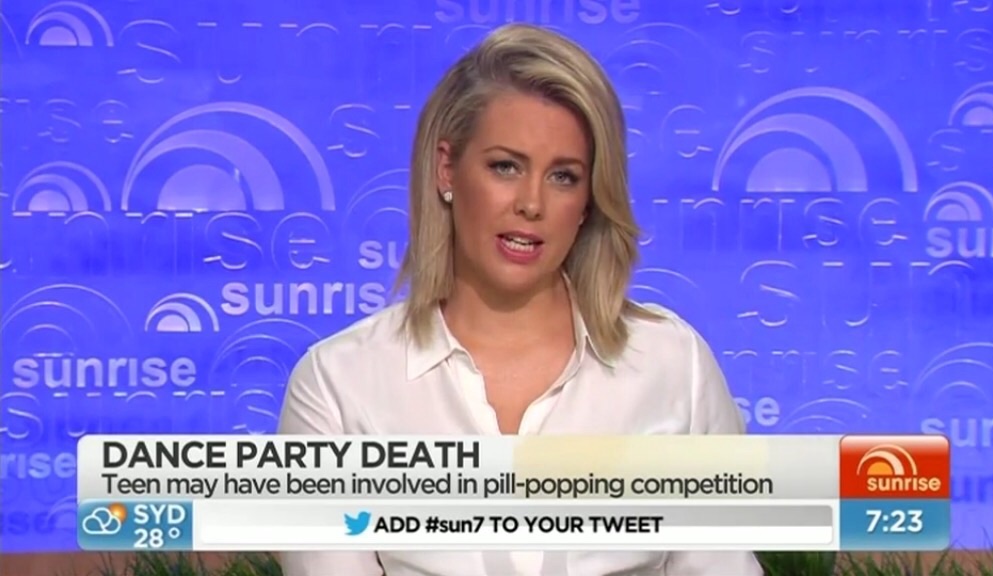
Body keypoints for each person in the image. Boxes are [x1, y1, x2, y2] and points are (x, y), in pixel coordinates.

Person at [277, 22, 764, 576]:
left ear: (589, 199)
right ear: (446, 169)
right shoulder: (339, 384)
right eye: (505, 167)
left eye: (563, 177)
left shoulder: (674, 366)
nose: (532, 204)